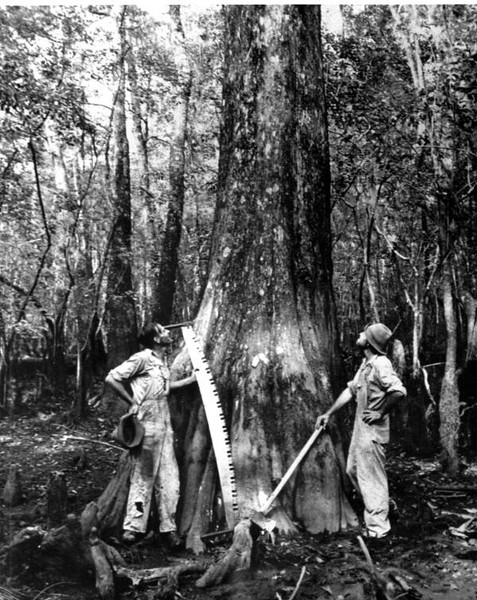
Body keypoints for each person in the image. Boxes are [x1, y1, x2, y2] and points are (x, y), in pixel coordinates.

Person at [105, 322, 196, 547]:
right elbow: (112, 377)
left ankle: (169, 529)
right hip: (145, 422)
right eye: (163, 331)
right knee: (143, 475)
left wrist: (190, 381)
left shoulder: (161, 362)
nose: (167, 333)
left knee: (169, 478)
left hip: (164, 423)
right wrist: (131, 401)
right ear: (156, 339)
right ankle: (132, 528)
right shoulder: (142, 358)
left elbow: (164, 390)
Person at [315, 323, 406, 541]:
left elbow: (398, 391)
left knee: (370, 478)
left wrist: (380, 412)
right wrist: (329, 413)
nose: (359, 335)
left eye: (364, 334)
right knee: (353, 470)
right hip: (361, 431)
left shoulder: (381, 364)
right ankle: (383, 506)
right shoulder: (366, 364)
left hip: (373, 433)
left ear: (371, 342)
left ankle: (378, 530)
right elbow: (350, 390)